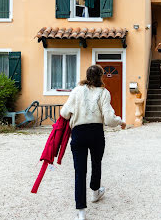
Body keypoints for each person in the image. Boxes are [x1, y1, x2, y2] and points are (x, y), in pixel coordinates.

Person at [60, 65, 126, 220]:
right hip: (96, 133)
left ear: (87, 76)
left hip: (79, 133)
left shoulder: (77, 91)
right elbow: (109, 119)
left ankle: (81, 212)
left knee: (80, 172)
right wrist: (120, 121)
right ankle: (95, 192)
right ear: (101, 76)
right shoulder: (104, 92)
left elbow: (64, 113)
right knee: (96, 163)